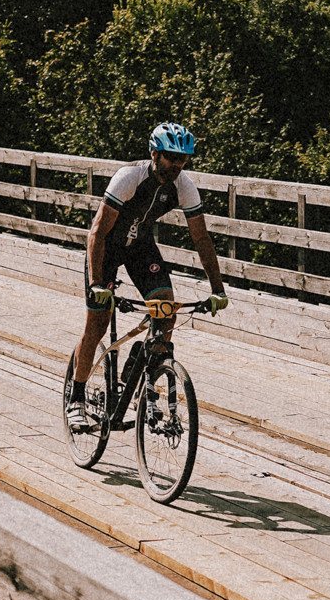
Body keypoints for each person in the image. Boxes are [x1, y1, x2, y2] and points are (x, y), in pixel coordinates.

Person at [66, 120, 228, 433]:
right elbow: (98, 232)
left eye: (183, 159)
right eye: (171, 157)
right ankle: (76, 396)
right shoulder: (130, 177)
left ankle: (133, 375)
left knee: (166, 313)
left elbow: (201, 238)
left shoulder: (184, 185)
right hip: (107, 250)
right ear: (154, 152)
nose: (177, 165)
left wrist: (218, 289)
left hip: (140, 249)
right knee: (97, 323)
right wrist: (97, 283)